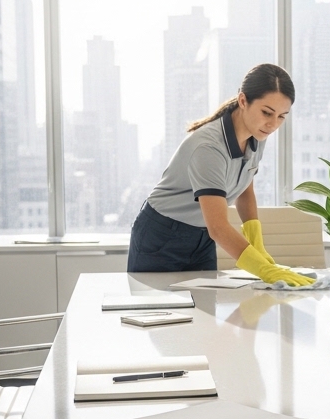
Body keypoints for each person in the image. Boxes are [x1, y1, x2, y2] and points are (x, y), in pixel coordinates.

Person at [128, 63, 313, 286]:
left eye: (282, 116)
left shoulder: (257, 135)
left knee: (205, 312)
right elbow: (218, 227)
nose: (273, 124)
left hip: (203, 236)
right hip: (162, 235)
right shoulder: (209, 147)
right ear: (243, 101)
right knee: (159, 313)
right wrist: (265, 270)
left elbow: (245, 188)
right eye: (267, 112)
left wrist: (256, 241)